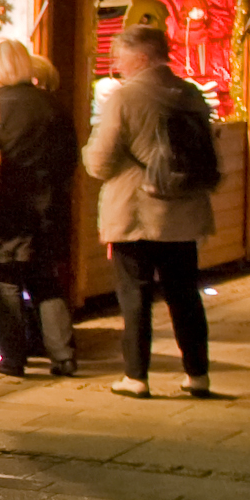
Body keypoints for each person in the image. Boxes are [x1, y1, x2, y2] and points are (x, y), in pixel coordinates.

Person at [83, 22, 221, 398]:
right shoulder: (191, 93)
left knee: (135, 296)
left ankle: (136, 376)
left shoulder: (125, 98)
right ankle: (197, 374)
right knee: (184, 296)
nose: (116, 63)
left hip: (137, 212)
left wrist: (88, 156)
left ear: (141, 56)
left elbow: (99, 161)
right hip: (185, 213)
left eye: (120, 56)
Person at [0, 35, 77, 376]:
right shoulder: (52, 103)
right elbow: (70, 157)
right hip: (47, 208)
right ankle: (63, 355)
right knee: (46, 281)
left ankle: (13, 358)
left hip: (3, 209)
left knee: (6, 283)